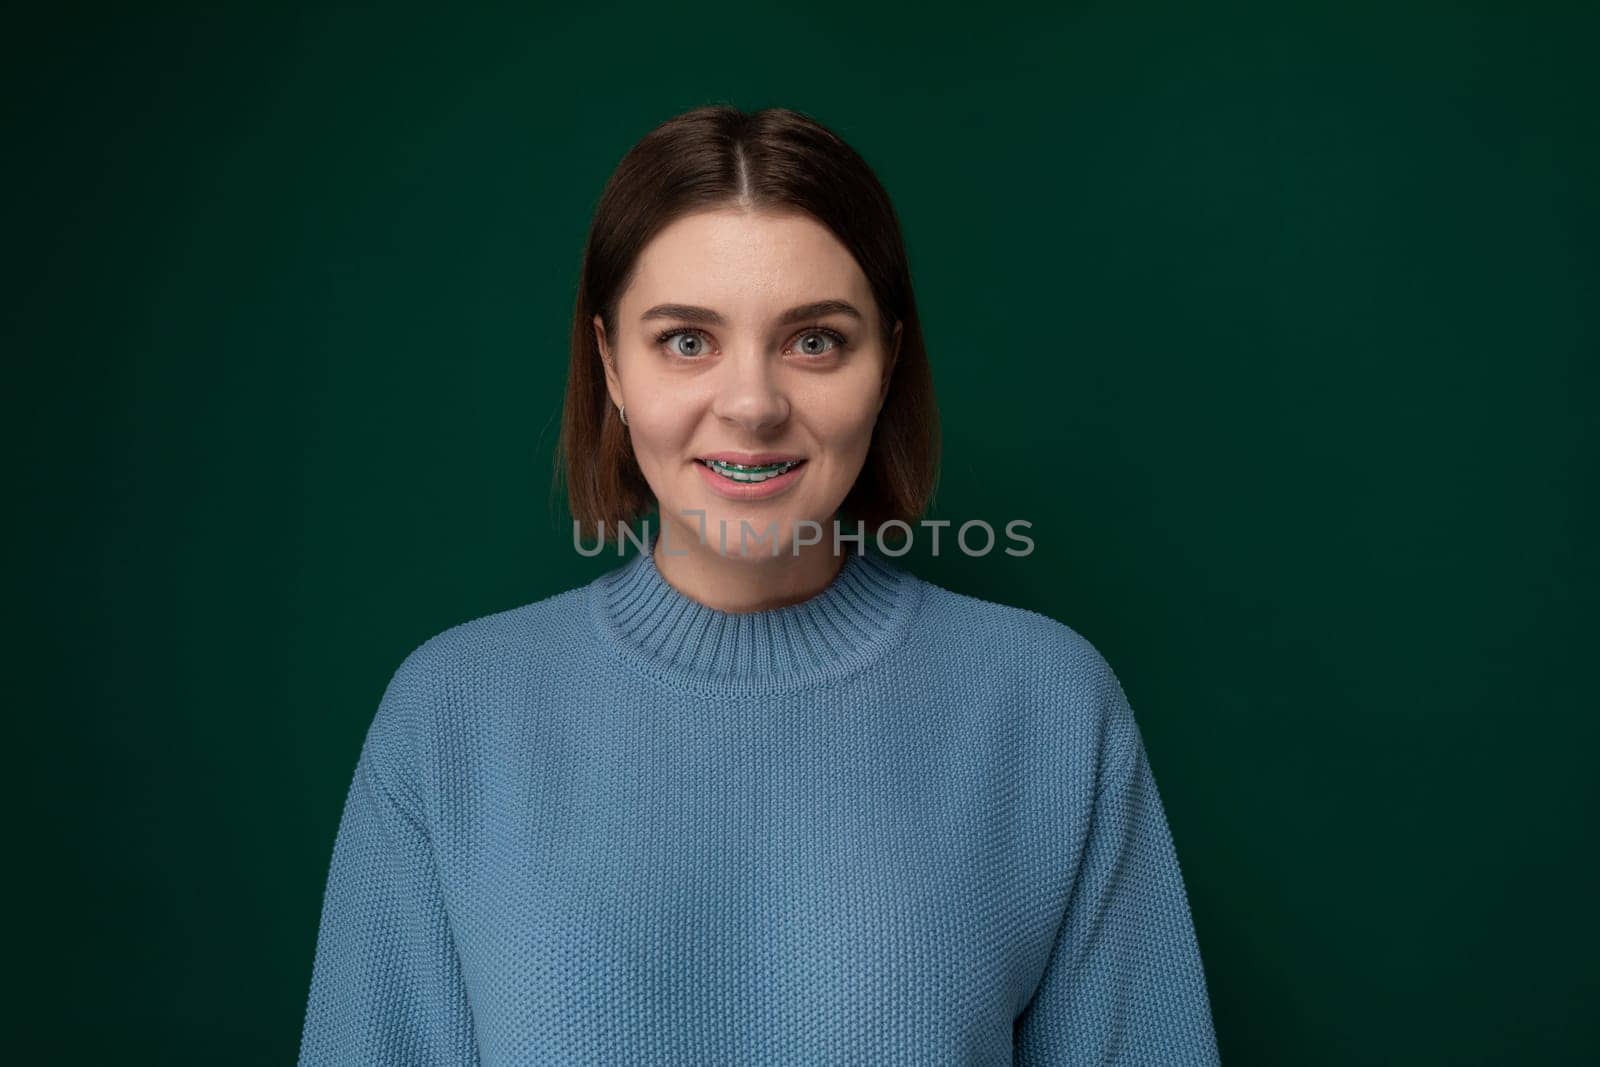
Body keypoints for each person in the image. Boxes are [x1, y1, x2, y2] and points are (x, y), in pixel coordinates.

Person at [298, 104, 1221, 1065]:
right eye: (686, 340)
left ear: (889, 360)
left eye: (813, 340)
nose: (752, 404)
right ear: (610, 361)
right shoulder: (452, 715)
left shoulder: (1050, 707)